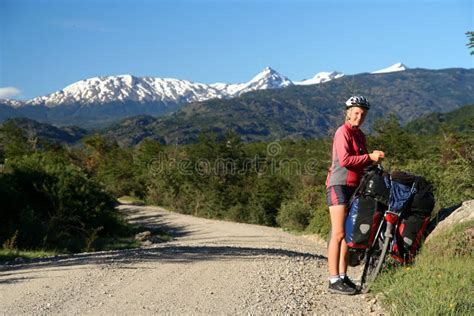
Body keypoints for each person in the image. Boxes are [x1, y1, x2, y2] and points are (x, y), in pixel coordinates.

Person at [325, 96, 385, 295]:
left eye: (363, 114)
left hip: (354, 187)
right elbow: (345, 160)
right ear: (348, 113)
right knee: (338, 233)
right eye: (356, 113)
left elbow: (363, 163)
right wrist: (369, 157)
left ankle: (342, 276)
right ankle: (333, 280)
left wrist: (373, 162)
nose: (359, 117)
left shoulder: (360, 135)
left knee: (347, 236)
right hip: (338, 185)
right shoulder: (342, 132)